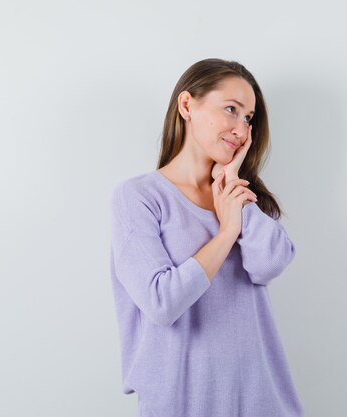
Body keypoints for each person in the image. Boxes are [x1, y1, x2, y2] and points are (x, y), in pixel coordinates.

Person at [109, 58, 304, 417]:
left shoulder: (243, 198)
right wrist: (227, 232)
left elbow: (269, 264)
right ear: (187, 105)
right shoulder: (139, 198)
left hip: (261, 399)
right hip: (181, 402)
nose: (242, 130)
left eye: (249, 118)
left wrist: (231, 187)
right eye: (231, 109)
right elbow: (161, 302)